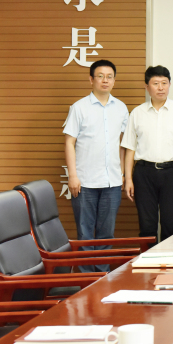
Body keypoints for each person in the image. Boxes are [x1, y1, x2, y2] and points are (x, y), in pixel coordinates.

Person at [62, 59, 129, 272]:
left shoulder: (121, 108)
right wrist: (73, 176)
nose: (105, 80)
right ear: (91, 79)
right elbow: (69, 142)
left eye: (109, 77)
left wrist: (123, 174)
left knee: (106, 233)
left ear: (114, 81)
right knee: (85, 233)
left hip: (112, 181)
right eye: (100, 76)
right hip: (85, 181)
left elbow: (123, 145)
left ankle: (101, 276)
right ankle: (85, 279)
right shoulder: (79, 107)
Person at [122, 66, 173, 243]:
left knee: (170, 225)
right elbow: (130, 148)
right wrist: (128, 179)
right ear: (147, 87)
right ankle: (148, 261)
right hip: (144, 173)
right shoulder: (137, 113)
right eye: (156, 83)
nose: (161, 88)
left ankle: (169, 260)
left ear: (170, 85)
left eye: (164, 83)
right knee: (147, 226)